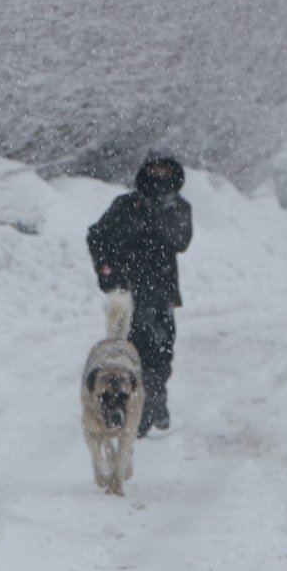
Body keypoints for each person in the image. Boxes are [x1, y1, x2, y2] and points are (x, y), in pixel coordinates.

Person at [87, 155, 193, 438]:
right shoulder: (124, 205)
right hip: (128, 290)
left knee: (162, 350)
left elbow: (180, 240)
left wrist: (154, 215)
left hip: (161, 290)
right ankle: (138, 409)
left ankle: (156, 400)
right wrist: (105, 267)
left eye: (165, 171)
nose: (159, 176)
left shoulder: (178, 207)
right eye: (154, 170)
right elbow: (97, 236)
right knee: (132, 351)